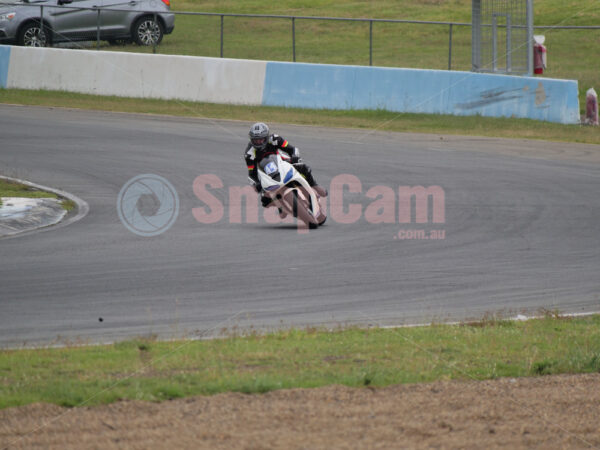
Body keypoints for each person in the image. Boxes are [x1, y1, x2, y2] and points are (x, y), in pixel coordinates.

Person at [244, 122, 327, 211]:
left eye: (261, 139)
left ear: (266, 137)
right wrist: (257, 184)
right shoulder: (249, 153)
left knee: (302, 167)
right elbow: (252, 173)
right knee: (265, 200)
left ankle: (314, 185)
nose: (258, 142)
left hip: (282, 162)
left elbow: (292, 149)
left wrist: (295, 157)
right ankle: (281, 206)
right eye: (255, 140)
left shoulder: (275, 139)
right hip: (268, 174)